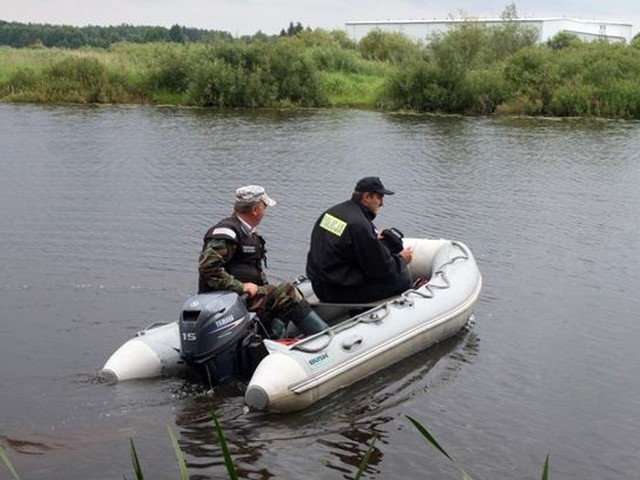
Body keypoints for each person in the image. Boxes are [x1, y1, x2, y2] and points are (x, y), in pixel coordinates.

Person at [198, 185, 327, 338]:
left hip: (238, 296)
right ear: (255, 210)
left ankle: (273, 337)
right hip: (227, 301)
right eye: (264, 207)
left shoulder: (247, 232)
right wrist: (240, 286)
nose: (265, 212)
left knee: (280, 295)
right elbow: (208, 268)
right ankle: (323, 336)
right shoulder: (227, 234)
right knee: (287, 292)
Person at [306, 177, 413, 303]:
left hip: (320, 285)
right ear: (367, 197)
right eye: (379, 198)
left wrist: (371, 240)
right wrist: (401, 260)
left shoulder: (332, 213)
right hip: (339, 291)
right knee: (404, 278)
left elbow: (340, 242)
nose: (382, 203)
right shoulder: (359, 225)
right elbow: (380, 269)